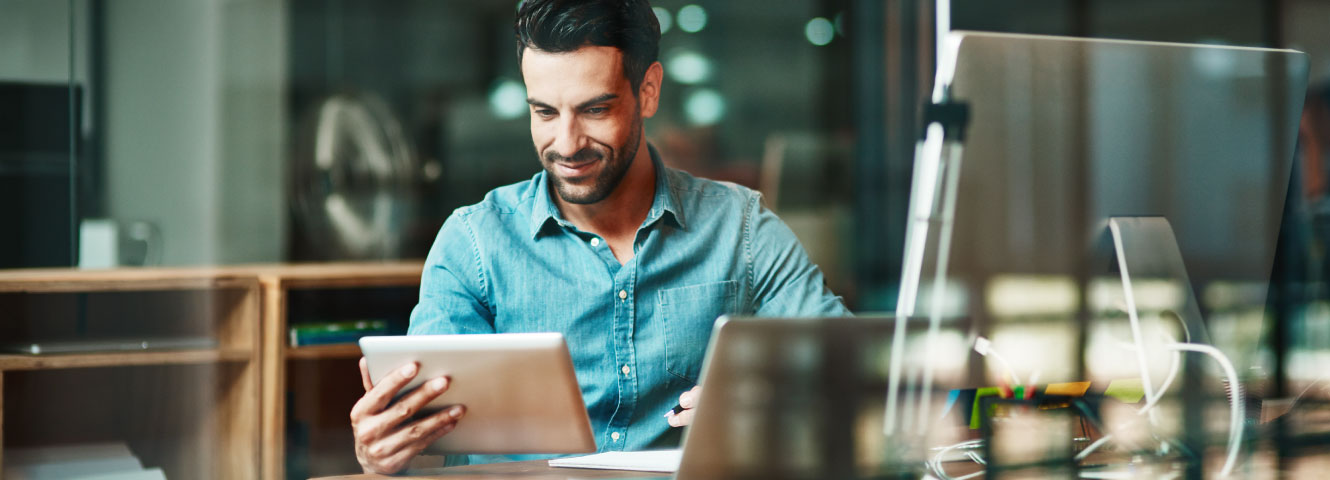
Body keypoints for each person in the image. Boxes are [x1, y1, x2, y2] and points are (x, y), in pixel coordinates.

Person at [350, 0, 849, 474]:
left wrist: (779, 404)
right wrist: (385, 450)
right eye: (544, 112)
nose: (566, 144)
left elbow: (855, 373)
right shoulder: (474, 242)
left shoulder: (740, 229)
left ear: (648, 90)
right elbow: (423, 428)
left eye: (594, 110)